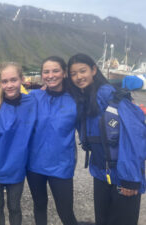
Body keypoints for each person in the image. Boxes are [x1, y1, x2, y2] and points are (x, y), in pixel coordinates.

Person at [67, 53, 146, 225]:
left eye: (82, 71)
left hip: (123, 176)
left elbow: (134, 134)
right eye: (73, 74)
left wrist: (130, 179)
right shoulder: (84, 98)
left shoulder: (109, 94)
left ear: (94, 70)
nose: (78, 77)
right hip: (102, 174)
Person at [0, 62, 37, 225]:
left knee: (14, 207)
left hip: (17, 167)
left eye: (13, 80)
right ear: (0, 82)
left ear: (21, 79)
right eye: (5, 81)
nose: (9, 85)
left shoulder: (32, 102)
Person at [27, 56, 78, 225]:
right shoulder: (34, 97)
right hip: (34, 164)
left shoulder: (76, 100)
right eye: (46, 71)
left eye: (55, 70)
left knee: (66, 212)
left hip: (62, 165)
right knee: (39, 205)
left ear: (64, 73)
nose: (50, 75)